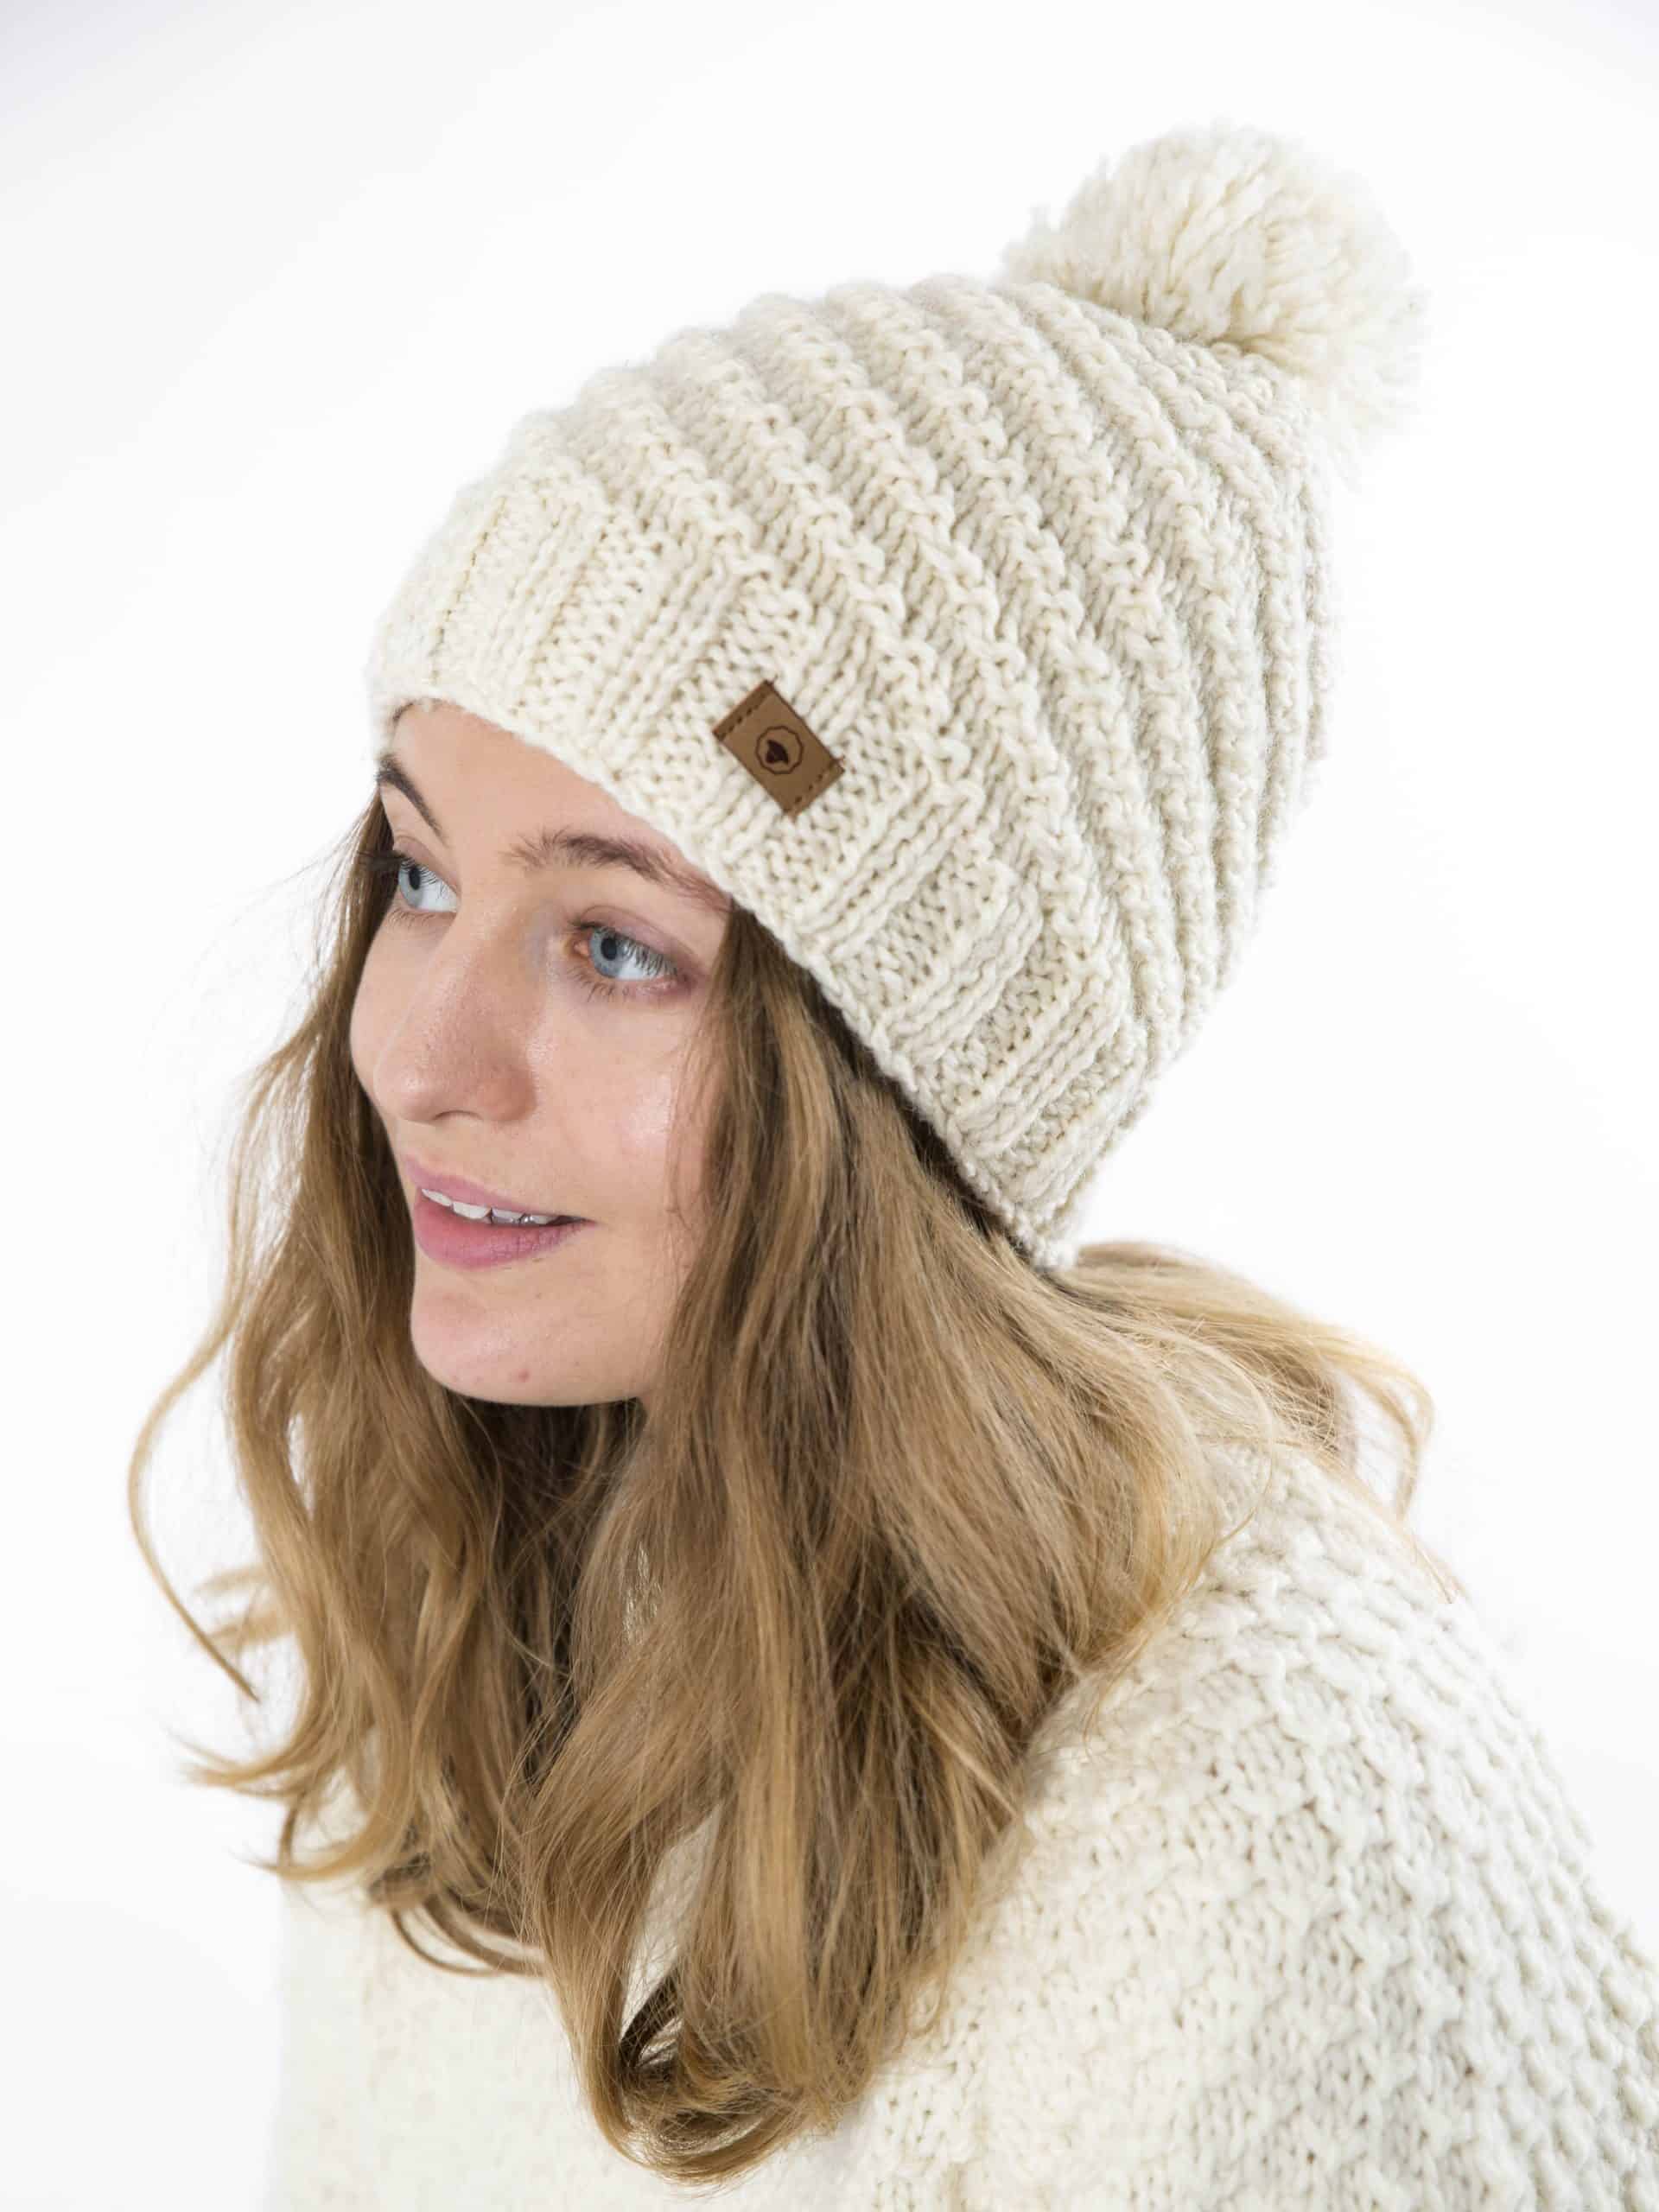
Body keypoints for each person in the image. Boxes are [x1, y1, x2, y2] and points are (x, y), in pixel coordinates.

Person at [128, 118, 1659, 2207]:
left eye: (616, 943)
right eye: (422, 869)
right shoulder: (461, 1592)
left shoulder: (1274, 1813)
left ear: (908, 1088)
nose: (414, 1053)